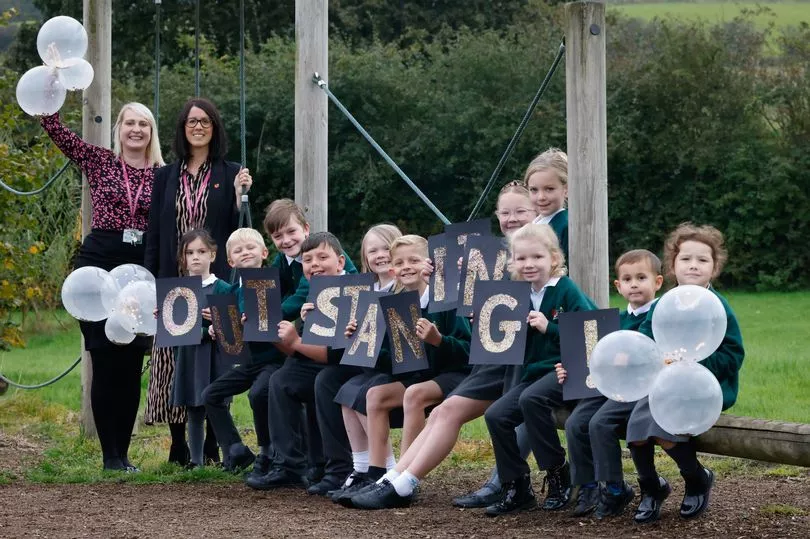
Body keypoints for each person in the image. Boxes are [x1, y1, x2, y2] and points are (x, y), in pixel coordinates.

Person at [350, 223, 592, 511]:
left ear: (554, 258)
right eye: (522, 258)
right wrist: (488, 326)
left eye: (536, 257)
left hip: (547, 373)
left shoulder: (563, 290)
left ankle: (552, 475)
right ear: (511, 262)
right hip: (518, 370)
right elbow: (507, 338)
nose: (529, 264)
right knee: (482, 414)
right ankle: (399, 479)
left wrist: (549, 329)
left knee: (472, 407)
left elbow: (588, 330)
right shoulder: (517, 291)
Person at [40, 103, 164, 471]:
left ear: (151, 131)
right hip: (99, 266)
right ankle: (109, 455)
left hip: (140, 271)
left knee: (128, 361)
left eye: (144, 123)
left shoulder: (163, 174)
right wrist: (52, 86)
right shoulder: (99, 160)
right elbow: (56, 131)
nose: (136, 129)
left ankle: (123, 456)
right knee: (102, 356)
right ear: (119, 128)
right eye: (130, 123)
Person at [144, 97, 253, 465]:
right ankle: (180, 444)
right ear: (182, 128)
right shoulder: (165, 176)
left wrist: (241, 197)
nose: (198, 126)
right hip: (175, 281)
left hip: (214, 281)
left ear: (215, 127)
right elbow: (154, 232)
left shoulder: (230, 172)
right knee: (173, 361)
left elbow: (240, 228)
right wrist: (152, 281)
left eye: (205, 121)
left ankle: (211, 442)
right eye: (191, 121)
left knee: (211, 358)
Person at [333, 235, 471, 507]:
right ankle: (376, 474)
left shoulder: (445, 298)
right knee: (374, 395)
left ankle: (403, 480)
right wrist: (361, 342)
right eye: (400, 262)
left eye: (414, 260)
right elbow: (397, 361)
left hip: (456, 373)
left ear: (428, 264)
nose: (407, 266)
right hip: (420, 374)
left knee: (415, 394)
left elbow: (468, 351)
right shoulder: (397, 304)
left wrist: (439, 340)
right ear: (392, 270)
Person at [626, 223, 744, 523]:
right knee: (638, 429)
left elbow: (733, 355)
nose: (693, 265)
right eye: (686, 259)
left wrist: (694, 365)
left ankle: (696, 478)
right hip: (664, 384)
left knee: (665, 430)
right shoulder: (664, 303)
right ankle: (651, 488)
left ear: (714, 268)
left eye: (702, 260)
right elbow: (644, 339)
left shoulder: (718, 307)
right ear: (673, 265)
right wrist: (659, 359)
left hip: (704, 389)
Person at [239, 200, 359, 485]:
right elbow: (268, 293)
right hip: (311, 339)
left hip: (342, 353)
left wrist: (270, 316)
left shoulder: (334, 267)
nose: (286, 240)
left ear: (305, 229)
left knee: (321, 381)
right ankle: (288, 463)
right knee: (278, 381)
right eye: (277, 236)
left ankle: (329, 465)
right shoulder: (286, 262)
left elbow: (299, 297)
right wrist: (256, 317)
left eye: (291, 232)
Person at [554, 249, 663, 518]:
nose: (634, 284)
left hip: (641, 390)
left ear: (658, 282)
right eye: (627, 279)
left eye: (641, 277)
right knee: (575, 423)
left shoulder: (661, 316)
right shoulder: (613, 321)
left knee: (599, 424)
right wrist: (568, 369)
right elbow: (595, 357)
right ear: (618, 285)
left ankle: (614, 488)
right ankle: (589, 486)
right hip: (609, 386)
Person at [307, 224, 403, 496]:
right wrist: (312, 318)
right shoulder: (362, 289)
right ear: (364, 257)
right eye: (373, 250)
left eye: (386, 248)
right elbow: (339, 335)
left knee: (360, 391)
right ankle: (351, 467)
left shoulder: (405, 286)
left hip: (394, 365)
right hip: (366, 362)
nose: (380, 255)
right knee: (330, 382)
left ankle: (385, 469)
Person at [201, 228, 284, 472]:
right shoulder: (230, 292)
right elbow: (228, 330)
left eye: (250, 248)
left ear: (264, 252)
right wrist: (218, 329)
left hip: (274, 358)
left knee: (258, 393)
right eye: (238, 250)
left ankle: (267, 452)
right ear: (230, 260)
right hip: (249, 361)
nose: (245, 253)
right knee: (211, 395)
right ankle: (235, 449)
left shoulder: (275, 281)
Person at [169, 229, 233, 468]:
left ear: (213, 255)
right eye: (189, 252)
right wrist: (163, 317)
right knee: (194, 410)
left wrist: (219, 325)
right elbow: (176, 330)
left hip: (216, 358)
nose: (195, 257)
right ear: (183, 258)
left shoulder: (224, 288)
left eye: (201, 251)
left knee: (219, 408)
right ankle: (196, 462)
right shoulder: (177, 292)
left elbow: (232, 328)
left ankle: (229, 458)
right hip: (190, 357)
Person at [525, 148, 569, 262]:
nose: (541, 197)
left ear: (566, 189)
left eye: (549, 189)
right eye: (534, 190)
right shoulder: (534, 224)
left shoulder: (566, 226)